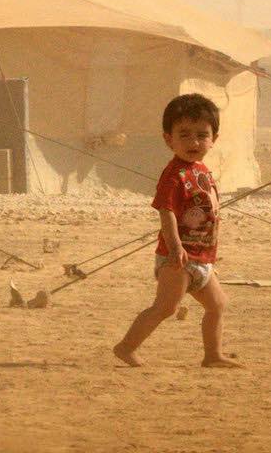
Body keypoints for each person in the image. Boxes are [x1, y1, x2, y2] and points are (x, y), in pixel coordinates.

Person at [113, 93, 241, 368]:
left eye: (201, 135)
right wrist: (175, 246)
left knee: (217, 305)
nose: (193, 142)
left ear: (213, 138)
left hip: (201, 258)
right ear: (168, 139)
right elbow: (166, 211)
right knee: (165, 307)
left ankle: (213, 355)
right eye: (184, 134)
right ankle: (126, 347)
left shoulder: (202, 170)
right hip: (178, 259)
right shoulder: (174, 175)